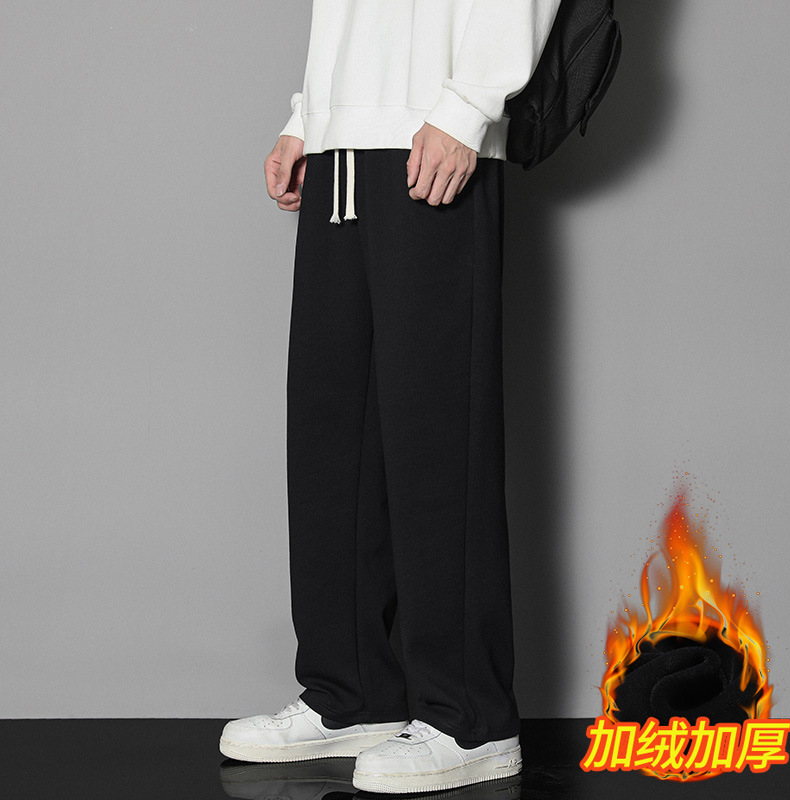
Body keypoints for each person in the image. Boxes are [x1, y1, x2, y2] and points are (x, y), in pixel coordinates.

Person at [220, 1, 562, 792]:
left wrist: (470, 103)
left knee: (437, 427)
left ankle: (471, 718)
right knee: (332, 427)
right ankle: (351, 694)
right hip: (344, 142)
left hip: (436, 125)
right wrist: (311, 115)